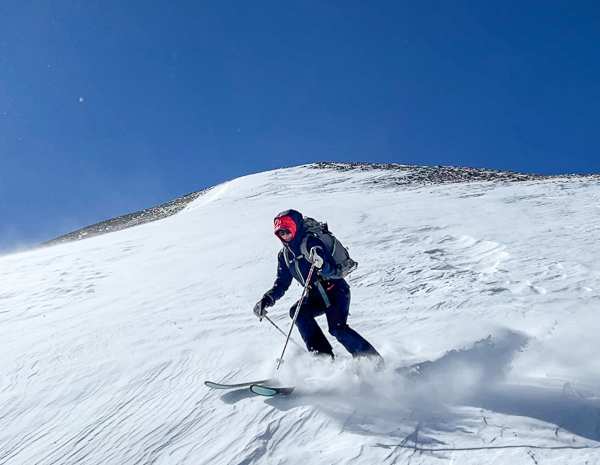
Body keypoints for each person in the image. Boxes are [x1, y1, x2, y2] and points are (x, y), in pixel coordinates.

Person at [254, 209, 381, 361]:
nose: (285, 236)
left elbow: (330, 268)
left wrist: (322, 265)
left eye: (287, 231)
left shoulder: (311, 242)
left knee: (337, 329)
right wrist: (266, 300)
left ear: (295, 228)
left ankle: (373, 360)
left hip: (335, 290)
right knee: (298, 312)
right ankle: (324, 358)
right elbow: (282, 283)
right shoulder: (285, 256)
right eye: (281, 233)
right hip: (315, 294)